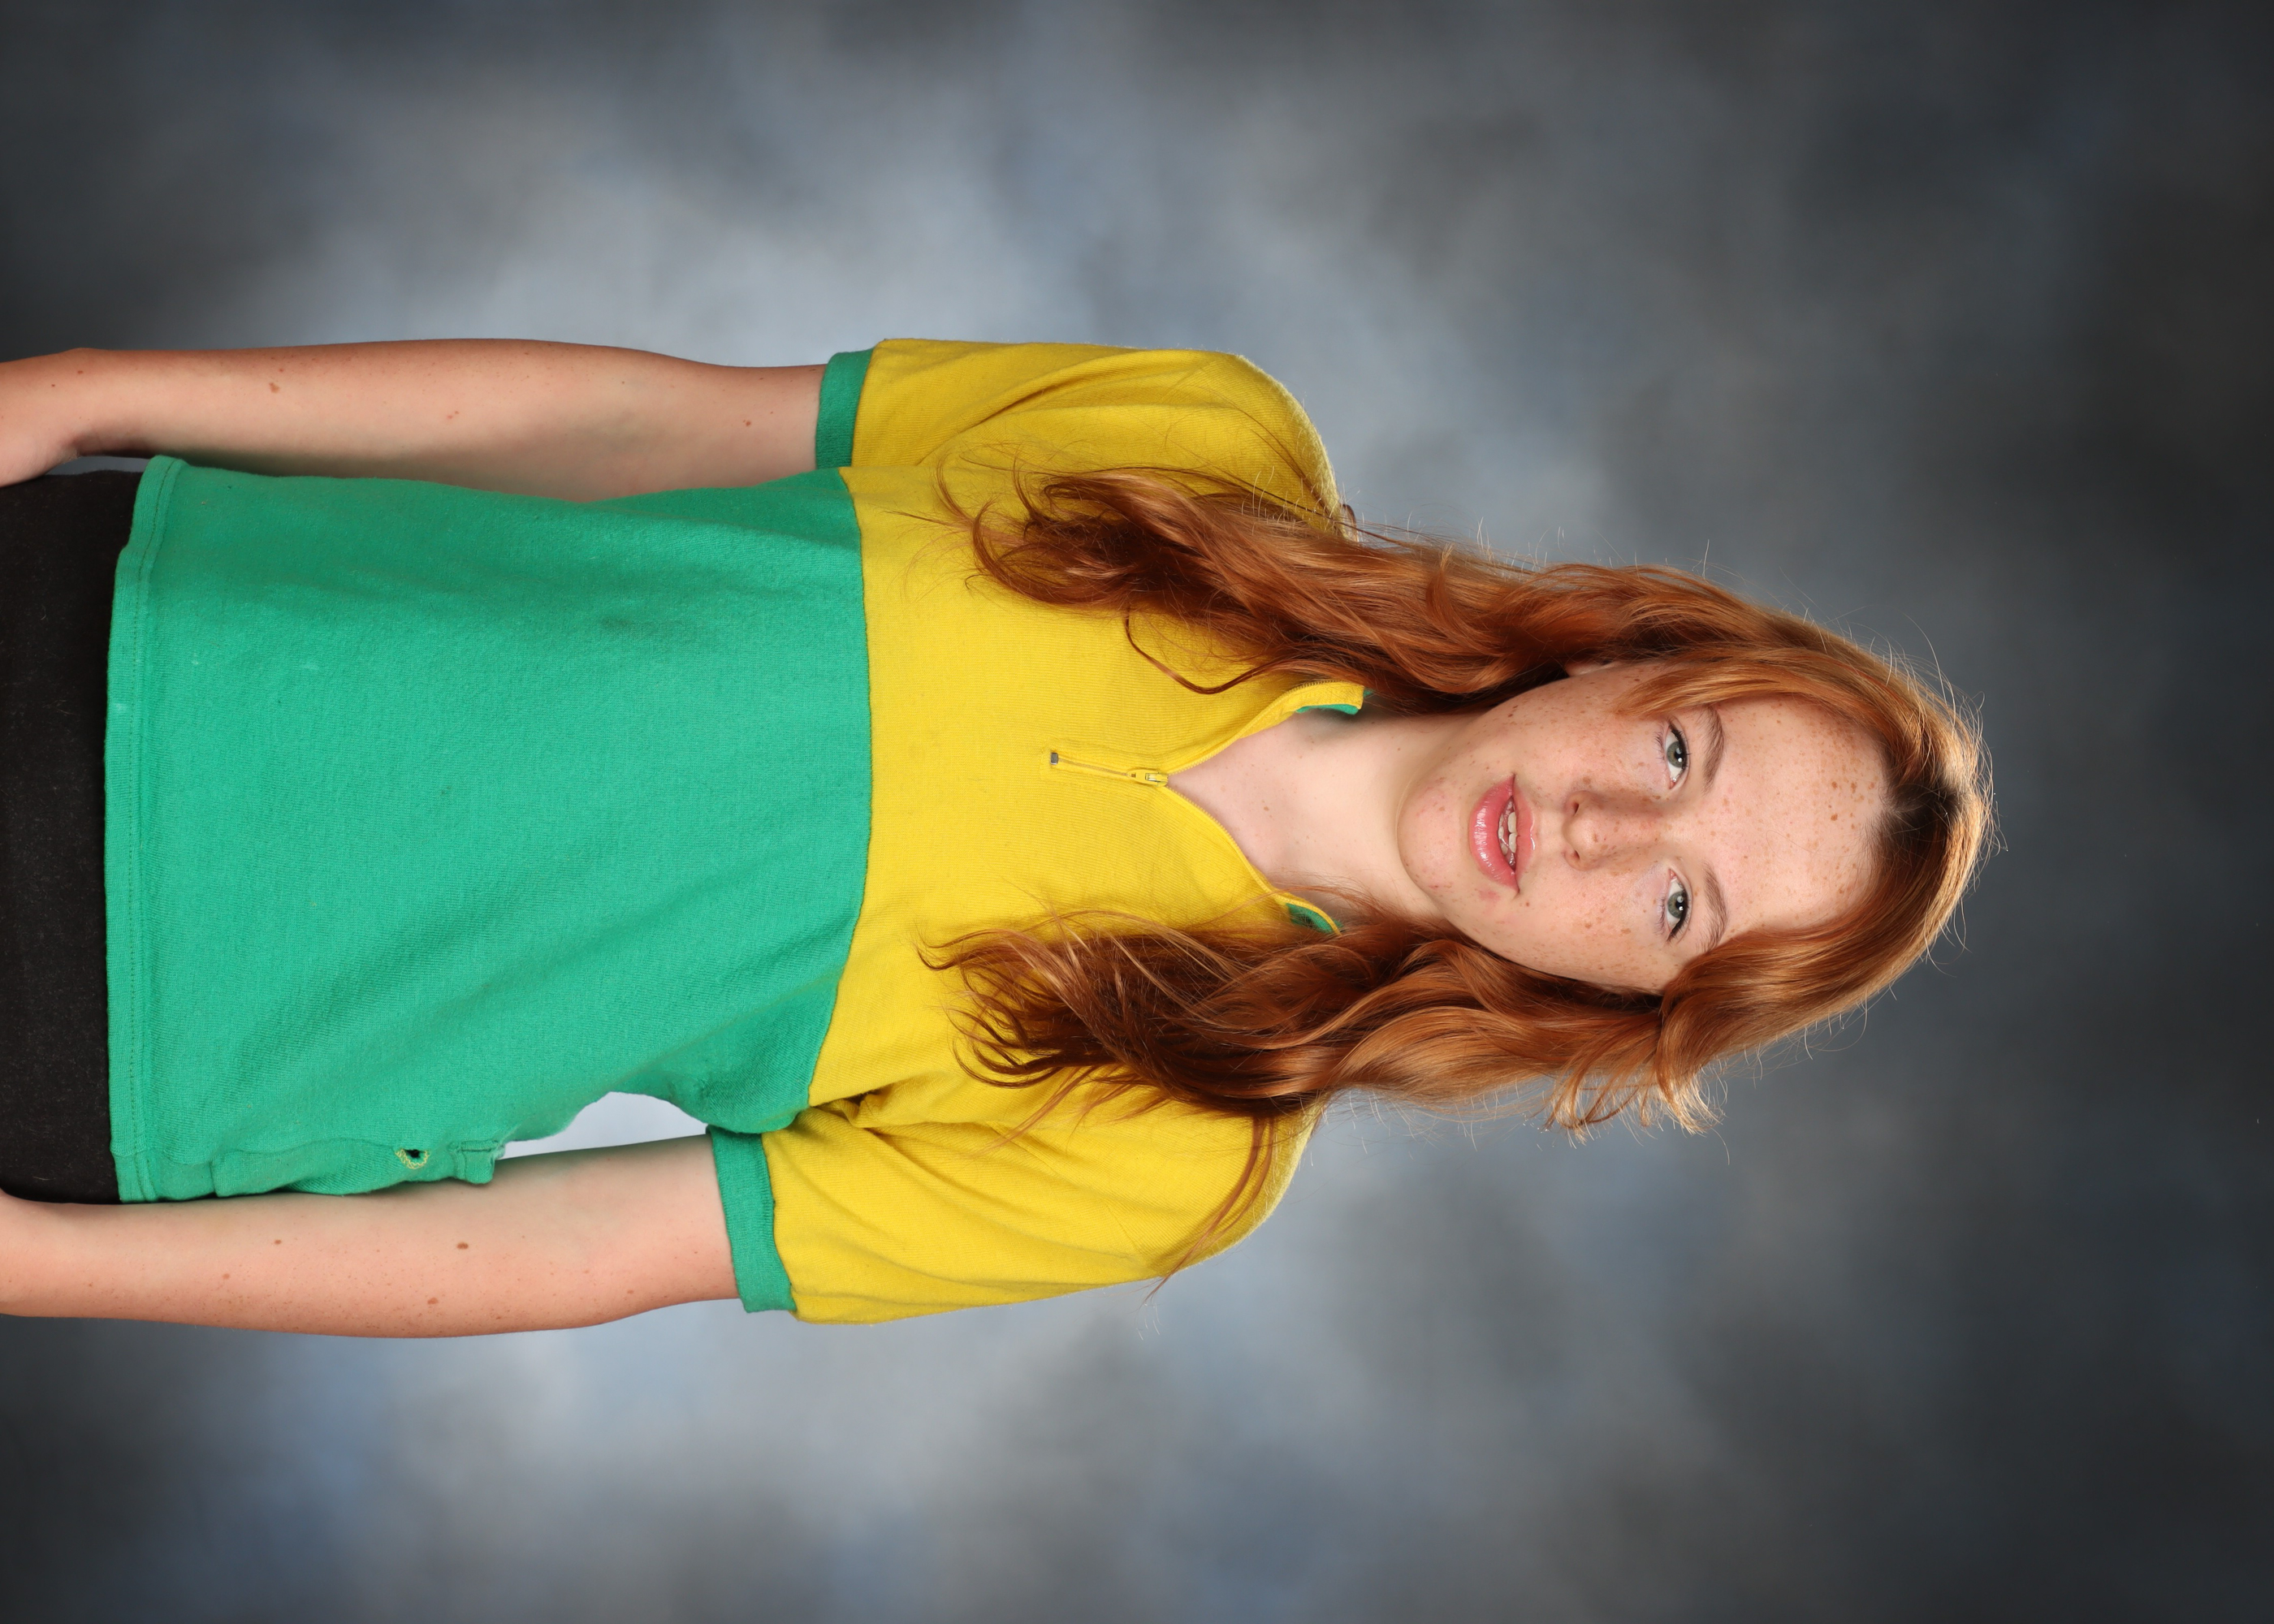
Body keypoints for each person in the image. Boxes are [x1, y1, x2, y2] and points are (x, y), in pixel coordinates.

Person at [0, 338, 1990, 1336]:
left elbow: (584, 1245)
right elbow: (635, 422)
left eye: (1674, 899)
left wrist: (50, 1269)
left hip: (125, 1044)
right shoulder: (1210, 450)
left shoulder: (1180, 1153)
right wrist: (87, 392)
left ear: (1631, 1004)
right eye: (1675, 747)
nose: (1593, 826)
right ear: (1627, 652)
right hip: (137, 603)